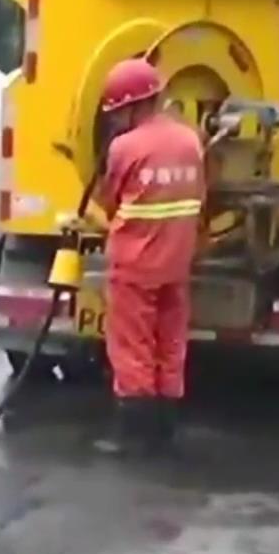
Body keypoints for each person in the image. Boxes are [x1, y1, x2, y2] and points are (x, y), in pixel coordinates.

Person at [83, 57, 207, 456]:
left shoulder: (125, 147)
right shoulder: (191, 141)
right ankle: (166, 426)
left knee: (132, 347)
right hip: (177, 262)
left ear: (135, 105)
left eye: (119, 112)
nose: (116, 120)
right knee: (170, 344)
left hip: (135, 263)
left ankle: (133, 434)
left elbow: (111, 197)